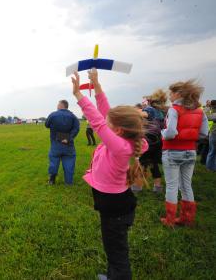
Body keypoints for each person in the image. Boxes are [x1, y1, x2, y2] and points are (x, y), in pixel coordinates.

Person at [71, 69, 148, 280]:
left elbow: (97, 120)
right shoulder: (130, 142)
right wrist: (97, 86)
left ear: (119, 131)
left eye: (110, 125)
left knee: (117, 252)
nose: (106, 124)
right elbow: (106, 115)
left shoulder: (120, 147)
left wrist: (79, 95)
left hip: (114, 207)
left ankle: (118, 275)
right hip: (118, 204)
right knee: (114, 248)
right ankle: (113, 274)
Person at [160, 80, 208, 227]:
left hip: (172, 151)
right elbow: (203, 133)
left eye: (171, 93)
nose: (170, 95)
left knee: (172, 186)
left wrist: (162, 132)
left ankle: (169, 220)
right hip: (191, 152)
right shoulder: (200, 111)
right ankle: (187, 218)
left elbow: (171, 133)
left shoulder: (174, 109)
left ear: (178, 94)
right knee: (186, 185)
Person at [132, 89, 167, 193]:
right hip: (158, 140)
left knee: (141, 163)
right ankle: (157, 187)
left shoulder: (150, 109)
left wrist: (136, 111)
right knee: (153, 163)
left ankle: (137, 187)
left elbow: (144, 115)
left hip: (147, 140)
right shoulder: (162, 111)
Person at [45, 99, 80, 185]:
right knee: (69, 162)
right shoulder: (73, 117)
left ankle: (52, 180)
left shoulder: (53, 115)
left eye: (58, 104)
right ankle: (68, 182)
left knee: (53, 162)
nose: (57, 106)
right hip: (68, 144)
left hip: (55, 144)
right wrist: (68, 137)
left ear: (61, 105)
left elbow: (46, 125)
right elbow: (76, 129)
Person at [206, 100, 216, 171]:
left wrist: (207, 107)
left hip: (213, 133)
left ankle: (210, 167)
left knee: (212, 151)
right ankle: (210, 167)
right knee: (212, 151)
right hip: (214, 133)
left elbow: (207, 116)